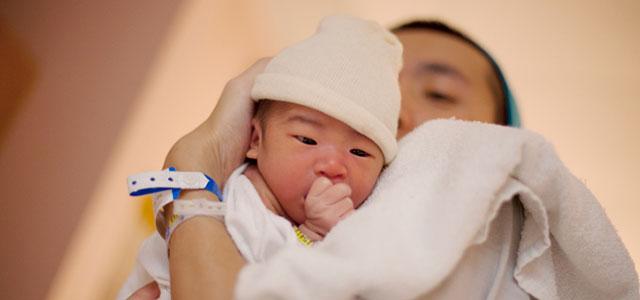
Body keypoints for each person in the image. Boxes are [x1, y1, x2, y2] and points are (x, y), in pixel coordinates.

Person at [131, 19, 521, 299]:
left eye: (437, 92)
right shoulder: (252, 199)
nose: (392, 112)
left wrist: (193, 164)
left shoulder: (504, 267)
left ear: (504, 137)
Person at [120, 15, 403, 299]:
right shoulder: (244, 198)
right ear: (255, 140)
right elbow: (255, 284)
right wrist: (311, 234)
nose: (333, 167)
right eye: (307, 139)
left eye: (359, 152)